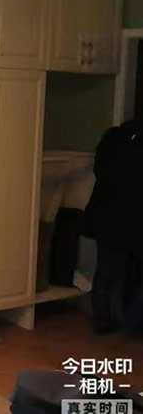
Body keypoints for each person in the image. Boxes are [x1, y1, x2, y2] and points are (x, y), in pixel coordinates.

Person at [86, 118, 143, 335]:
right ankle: (130, 321)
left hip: (108, 214)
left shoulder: (113, 138)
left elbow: (100, 171)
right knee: (126, 269)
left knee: (108, 268)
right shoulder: (124, 142)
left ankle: (104, 317)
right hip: (128, 216)